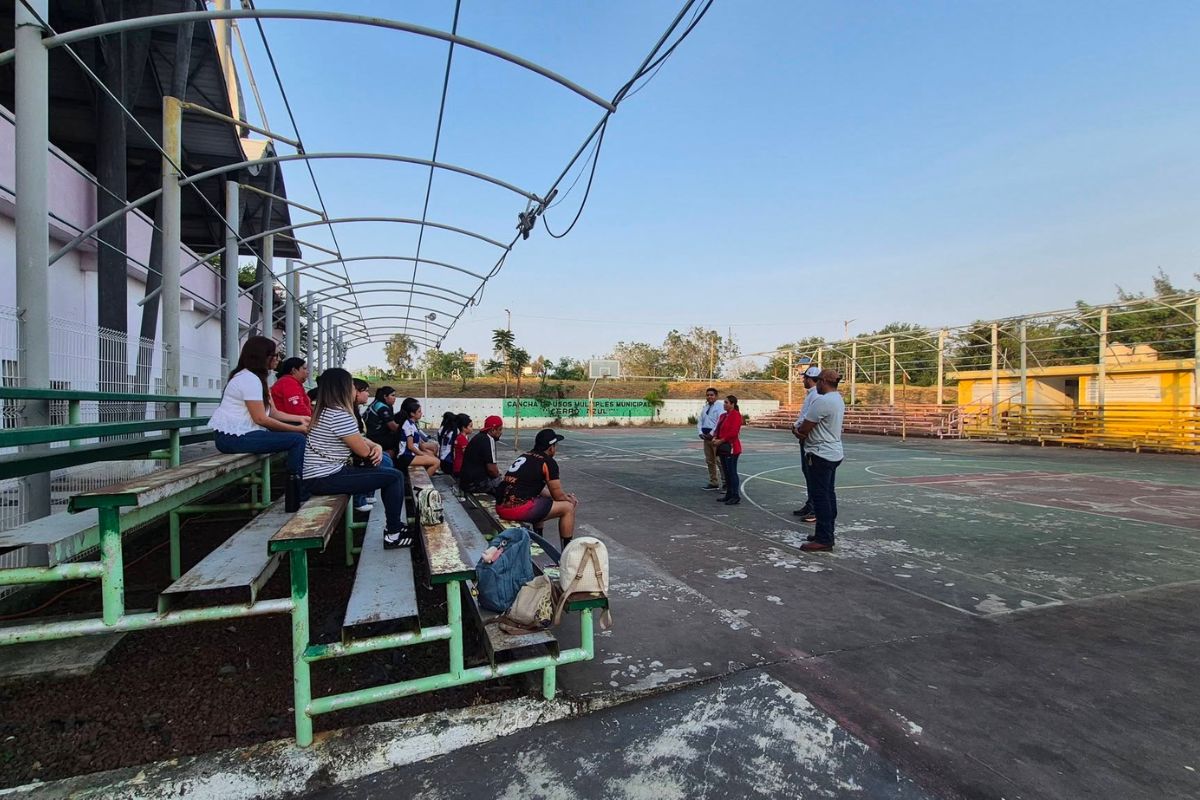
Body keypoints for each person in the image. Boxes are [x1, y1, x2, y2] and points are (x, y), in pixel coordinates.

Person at [301, 368, 412, 549]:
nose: (355, 390)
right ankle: (394, 533)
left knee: (388, 472)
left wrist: (376, 446)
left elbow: (360, 439)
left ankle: (395, 528)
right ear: (343, 388)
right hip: (325, 478)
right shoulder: (339, 415)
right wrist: (373, 449)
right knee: (394, 477)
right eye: (352, 386)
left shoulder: (327, 411)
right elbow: (362, 450)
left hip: (323, 475)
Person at [210, 336, 309, 494]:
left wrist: (301, 419)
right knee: (297, 440)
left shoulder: (255, 378)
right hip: (232, 438)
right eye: (275, 355)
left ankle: (300, 487)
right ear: (263, 356)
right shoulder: (249, 379)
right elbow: (261, 419)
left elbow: (273, 413)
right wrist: (297, 429)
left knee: (297, 436)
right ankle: (297, 491)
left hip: (243, 435)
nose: (278, 359)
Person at [497, 429, 578, 550]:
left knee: (541, 499)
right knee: (568, 508)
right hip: (517, 509)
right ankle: (566, 552)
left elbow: (533, 488)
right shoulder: (548, 462)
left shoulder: (525, 456)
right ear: (551, 448)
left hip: (501, 506)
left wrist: (555, 497)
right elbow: (558, 496)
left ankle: (539, 540)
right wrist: (569, 499)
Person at [795, 369, 846, 552]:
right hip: (832, 452)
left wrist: (796, 432)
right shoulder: (837, 399)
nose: (816, 384)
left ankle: (824, 539)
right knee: (828, 495)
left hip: (820, 453)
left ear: (823, 381)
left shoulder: (822, 401)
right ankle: (824, 532)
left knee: (821, 498)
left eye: (818, 381)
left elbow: (805, 429)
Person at [351, 377, 394, 513]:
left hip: (368, 441)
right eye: (365, 391)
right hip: (357, 449)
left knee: (386, 459)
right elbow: (392, 427)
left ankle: (368, 493)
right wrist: (374, 449)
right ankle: (360, 498)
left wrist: (376, 447)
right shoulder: (380, 406)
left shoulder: (356, 409)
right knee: (387, 464)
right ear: (356, 392)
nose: (368, 394)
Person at [791, 366, 823, 521]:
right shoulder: (811, 394)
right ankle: (810, 504)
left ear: (810, 379)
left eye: (805, 378)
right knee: (808, 473)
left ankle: (815, 508)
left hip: (809, 439)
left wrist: (797, 428)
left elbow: (809, 417)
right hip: (806, 438)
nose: (803, 380)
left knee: (812, 475)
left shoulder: (816, 395)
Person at [459, 415, 504, 493]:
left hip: (466, 481)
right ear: (493, 430)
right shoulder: (489, 439)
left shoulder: (479, 437)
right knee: (504, 485)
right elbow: (492, 470)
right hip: (475, 484)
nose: (501, 432)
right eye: (499, 429)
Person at [712, 395, 743, 505]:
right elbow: (718, 429)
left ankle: (735, 495)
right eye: (724, 402)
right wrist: (715, 437)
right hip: (723, 447)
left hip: (731, 447)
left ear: (732, 404)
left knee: (732, 472)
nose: (724, 404)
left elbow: (733, 432)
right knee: (726, 472)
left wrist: (721, 440)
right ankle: (729, 494)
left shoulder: (736, 415)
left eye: (726, 402)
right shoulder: (723, 416)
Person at [397, 397, 440, 477]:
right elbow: (410, 446)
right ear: (412, 414)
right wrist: (422, 454)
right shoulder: (408, 425)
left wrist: (426, 453)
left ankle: (424, 479)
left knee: (431, 454)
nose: (421, 413)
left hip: (411, 454)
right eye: (419, 412)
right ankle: (423, 486)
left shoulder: (412, 424)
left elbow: (419, 444)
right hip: (406, 457)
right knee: (436, 462)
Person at [697, 387, 725, 492]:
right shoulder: (705, 407)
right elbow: (700, 420)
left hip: (715, 437)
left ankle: (725, 483)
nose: (709, 397)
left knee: (719, 461)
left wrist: (712, 433)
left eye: (711, 395)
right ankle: (714, 482)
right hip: (706, 437)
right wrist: (700, 432)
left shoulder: (720, 407)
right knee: (709, 461)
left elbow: (719, 422)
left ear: (716, 396)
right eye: (708, 395)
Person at [364, 387, 401, 455]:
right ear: (385, 396)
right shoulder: (382, 408)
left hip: (374, 434)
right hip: (374, 437)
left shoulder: (378, 403)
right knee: (403, 437)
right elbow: (394, 427)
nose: (395, 398)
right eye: (392, 395)